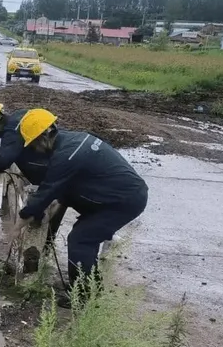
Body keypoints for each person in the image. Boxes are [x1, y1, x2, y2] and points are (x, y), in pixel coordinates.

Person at [14, 108, 148, 299]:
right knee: (84, 237)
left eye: (33, 144)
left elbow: (46, 191)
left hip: (123, 201)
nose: (34, 150)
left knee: (81, 240)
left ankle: (83, 297)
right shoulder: (73, 140)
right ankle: (89, 288)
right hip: (118, 195)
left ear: (43, 137)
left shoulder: (66, 156)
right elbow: (62, 190)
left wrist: (19, 222)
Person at [0, 102, 66, 246]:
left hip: (48, 168)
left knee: (48, 203)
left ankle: (44, 244)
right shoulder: (19, 114)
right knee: (54, 201)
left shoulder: (11, 132)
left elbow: (5, 159)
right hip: (54, 160)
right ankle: (47, 240)